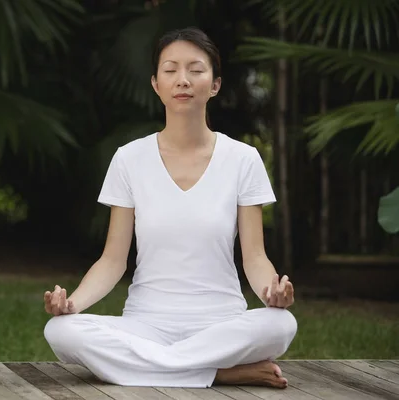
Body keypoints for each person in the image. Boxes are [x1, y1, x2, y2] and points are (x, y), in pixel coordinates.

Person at [42, 27, 297, 389]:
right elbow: (113, 260)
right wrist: (73, 304)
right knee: (61, 330)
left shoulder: (243, 159)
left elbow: (254, 256)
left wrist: (272, 291)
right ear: (155, 84)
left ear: (215, 84)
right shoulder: (129, 159)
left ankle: (155, 368)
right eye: (171, 70)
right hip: (145, 325)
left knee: (282, 324)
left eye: (196, 70)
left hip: (221, 324)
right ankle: (217, 373)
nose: (183, 80)